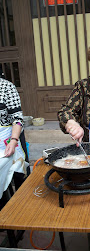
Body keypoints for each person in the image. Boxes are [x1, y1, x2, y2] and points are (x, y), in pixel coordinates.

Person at [0, 70, 29, 209]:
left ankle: (23, 208)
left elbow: (17, 119)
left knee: (19, 176)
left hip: (10, 137)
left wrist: (13, 140)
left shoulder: (6, 87)